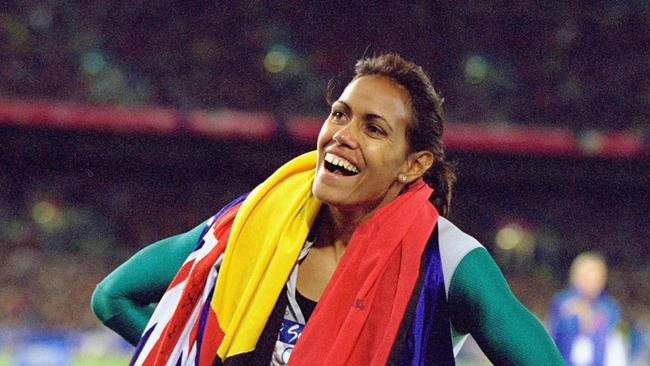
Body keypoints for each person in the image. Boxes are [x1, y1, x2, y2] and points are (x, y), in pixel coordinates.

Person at [92, 53, 564, 365]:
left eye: (374, 129)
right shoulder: (256, 222)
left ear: (413, 164)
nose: (344, 135)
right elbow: (112, 298)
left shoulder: (450, 261)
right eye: (340, 113)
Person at [549, 251, 627, 366]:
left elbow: (609, 325)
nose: (594, 283)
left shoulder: (609, 306)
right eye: (588, 277)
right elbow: (561, 328)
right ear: (576, 277)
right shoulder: (562, 300)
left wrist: (590, 316)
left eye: (599, 278)